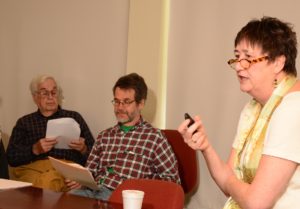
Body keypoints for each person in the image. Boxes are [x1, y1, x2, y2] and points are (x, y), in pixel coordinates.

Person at [178, 16, 300, 209]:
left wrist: (230, 181)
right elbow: (231, 184)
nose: (237, 66)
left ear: (278, 63)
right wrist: (206, 147)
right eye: (237, 57)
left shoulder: (293, 108)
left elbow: (256, 202)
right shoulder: (251, 110)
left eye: (248, 59)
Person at [67, 73, 180, 200]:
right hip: (94, 192)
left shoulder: (155, 138)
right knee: (64, 201)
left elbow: (173, 181)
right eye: (116, 101)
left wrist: (142, 190)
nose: (120, 107)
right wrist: (80, 180)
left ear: (141, 103)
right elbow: (90, 172)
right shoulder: (104, 136)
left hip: (124, 198)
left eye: (126, 102)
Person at [6, 75, 95, 192]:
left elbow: (96, 157)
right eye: (44, 93)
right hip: (33, 168)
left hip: (67, 170)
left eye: (54, 92)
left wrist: (83, 149)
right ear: (34, 97)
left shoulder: (74, 117)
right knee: (41, 182)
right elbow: (11, 157)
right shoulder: (24, 122)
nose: (50, 97)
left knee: (48, 181)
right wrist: (34, 150)